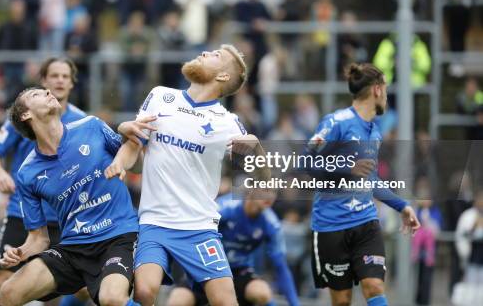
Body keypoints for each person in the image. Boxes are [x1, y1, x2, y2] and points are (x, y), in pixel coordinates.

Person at [106, 44, 260, 306]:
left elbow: (257, 171)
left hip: (199, 227)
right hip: (154, 221)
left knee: (226, 302)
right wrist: (120, 162)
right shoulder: (160, 96)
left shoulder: (227, 121)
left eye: (215, 56)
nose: (205, 53)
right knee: (144, 291)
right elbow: (134, 144)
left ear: (223, 76)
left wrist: (258, 151)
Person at [0, 88, 139, 306]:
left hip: (117, 237)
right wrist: (22, 252)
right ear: (26, 115)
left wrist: (129, 146)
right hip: (73, 248)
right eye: (36, 95)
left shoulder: (91, 126)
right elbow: (39, 238)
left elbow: (137, 165)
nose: (47, 91)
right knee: (8, 292)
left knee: (112, 299)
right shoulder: (27, 173)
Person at [304, 63, 420, 306]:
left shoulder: (375, 133)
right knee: (342, 301)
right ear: (377, 90)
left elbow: (371, 181)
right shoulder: (336, 122)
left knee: (374, 285)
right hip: (331, 225)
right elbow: (306, 162)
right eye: (386, 90)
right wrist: (347, 169)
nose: (387, 97)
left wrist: (402, 206)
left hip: (366, 223)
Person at [0, 57, 86, 306]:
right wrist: (1, 174)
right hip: (22, 211)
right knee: (2, 281)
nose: (60, 80)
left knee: (59, 290)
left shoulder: (82, 121)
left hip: (62, 217)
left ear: (72, 84)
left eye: (65, 76)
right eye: (54, 75)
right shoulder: (24, 116)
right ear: (44, 82)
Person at [166, 191, 300, 306]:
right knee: (177, 300)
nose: (270, 196)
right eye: (265, 189)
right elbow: (193, 235)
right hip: (207, 268)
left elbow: (281, 266)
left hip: (239, 272)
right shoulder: (224, 208)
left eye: (274, 191)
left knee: (261, 292)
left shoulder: (271, 224)